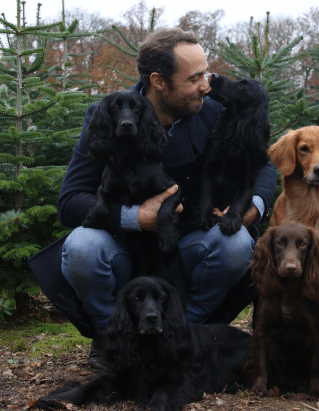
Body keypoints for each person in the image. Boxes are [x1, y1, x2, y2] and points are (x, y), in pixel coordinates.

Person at [28, 28, 277, 369]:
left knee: (235, 246)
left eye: (205, 74)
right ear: (159, 81)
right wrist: (136, 217)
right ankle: (112, 338)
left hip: (187, 244)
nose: (206, 85)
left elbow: (261, 164)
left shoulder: (212, 110)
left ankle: (185, 332)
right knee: (83, 247)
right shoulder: (108, 113)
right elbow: (71, 201)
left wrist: (253, 209)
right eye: (195, 78)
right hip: (122, 250)